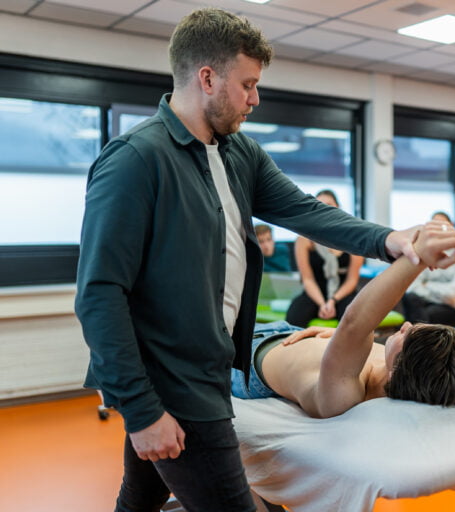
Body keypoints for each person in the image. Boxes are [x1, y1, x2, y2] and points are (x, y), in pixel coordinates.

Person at [75, 8, 424, 512]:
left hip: (213, 369)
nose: (255, 99)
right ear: (207, 78)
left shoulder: (239, 154)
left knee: (141, 499)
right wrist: (141, 410)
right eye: (248, 85)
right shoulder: (136, 159)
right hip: (171, 382)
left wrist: (389, 240)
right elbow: (100, 294)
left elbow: (306, 211)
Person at [232, 220, 455, 418]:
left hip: (247, 354)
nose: (405, 324)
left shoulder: (344, 396)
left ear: (397, 371)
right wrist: (336, 340)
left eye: (407, 335)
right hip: (288, 334)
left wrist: (417, 258)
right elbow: (353, 334)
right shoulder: (397, 368)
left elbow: (355, 323)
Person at [285, 190, 365, 327]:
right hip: (314, 294)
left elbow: (352, 280)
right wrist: (322, 303)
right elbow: (307, 279)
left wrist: (333, 300)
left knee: (353, 318)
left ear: (338, 208)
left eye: (328, 204)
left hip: (343, 294)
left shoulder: (352, 237)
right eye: (319, 205)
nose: (324, 209)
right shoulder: (304, 239)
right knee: (295, 316)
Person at [401, 212, 455, 326]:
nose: (438, 230)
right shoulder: (426, 253)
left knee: (420, 316)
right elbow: (413, 288)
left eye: (442, 225)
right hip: (424, 303)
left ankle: (416, 333)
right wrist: (440, 292)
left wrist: (427, 285)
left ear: (451, 226)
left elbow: (454, 294)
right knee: (410, 298)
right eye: (434, 226)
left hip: (451, 308)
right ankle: (418, 333)